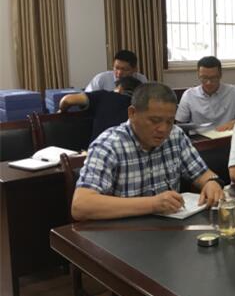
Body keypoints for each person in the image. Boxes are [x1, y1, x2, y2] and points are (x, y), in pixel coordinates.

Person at [72, 83, 223, 221]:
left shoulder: (175, 135)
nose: (163, 129)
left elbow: (202, 173)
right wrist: (153, 204)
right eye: (155, 120)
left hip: (169, 231)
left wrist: (211, 182)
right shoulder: (109, 145)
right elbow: (81, 205)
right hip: (123, 233)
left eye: (169, 121)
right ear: (132, 113)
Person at [175, 56, 235, 131]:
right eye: (204, 78)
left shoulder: (234, 92)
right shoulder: (189, 95)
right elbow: (179, 125)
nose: (209, 83)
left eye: (213, 78)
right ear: (198, 75)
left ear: (220, 75)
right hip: (199, 137)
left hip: (227, 135)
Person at [58, 76, 142, 142]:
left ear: (119, 88)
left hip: (97, 152)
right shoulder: (140, 107)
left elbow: (67, 100)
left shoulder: (103, 96)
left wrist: (61, 111)